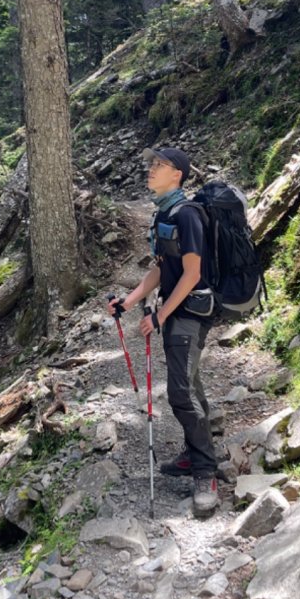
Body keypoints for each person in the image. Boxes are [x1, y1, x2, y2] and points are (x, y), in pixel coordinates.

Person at [107, 146, 220, 518]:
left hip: (190, 312)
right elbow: (160, 269)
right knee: (191, 382)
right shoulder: (163, 215)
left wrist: (158, 316)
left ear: (178, 175)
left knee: (180, 392)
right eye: (151, 163)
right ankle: (194, 452)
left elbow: (191, 274)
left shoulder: (187, 215)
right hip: (175, 312)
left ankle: (206, 473)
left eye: (160, 165)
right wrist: (130, 300)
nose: (151, 169)